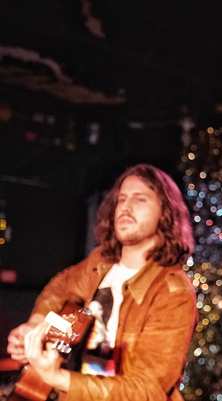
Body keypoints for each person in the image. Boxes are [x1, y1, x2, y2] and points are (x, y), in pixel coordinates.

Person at [7, 164, 197, 401]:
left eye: (140, 199)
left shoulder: (173, 293)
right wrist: (36, 329)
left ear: (166, 213)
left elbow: (147, 390)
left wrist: (57, 377)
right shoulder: (101, 262)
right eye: (121, 199)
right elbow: (59, 289)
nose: (125, 207)